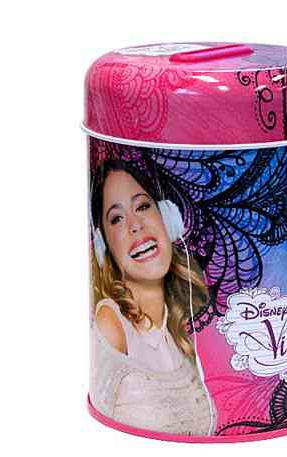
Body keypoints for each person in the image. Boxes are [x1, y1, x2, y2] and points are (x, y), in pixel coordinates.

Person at [89, 157, 216, 435]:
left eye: (143, 206)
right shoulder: (111, 323)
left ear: (168, 219)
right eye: (117, 218)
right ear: (103, 246)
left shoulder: (180, 340)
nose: (135, 225)